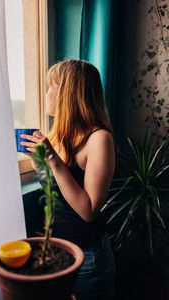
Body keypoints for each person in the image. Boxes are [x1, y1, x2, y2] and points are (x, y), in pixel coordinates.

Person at [20, 59, 116, 300]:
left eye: (51, 87)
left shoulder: (99, 139)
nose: (46, 93)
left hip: (86, 257)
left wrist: (53, 160)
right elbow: (55, 187)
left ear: (67, 94)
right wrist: (37, 159)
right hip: (55, 252)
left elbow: (88, 211)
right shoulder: (56, 136)